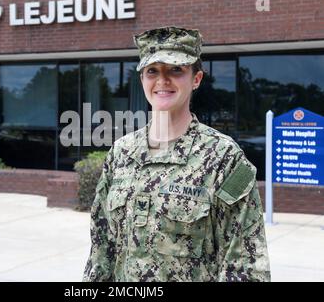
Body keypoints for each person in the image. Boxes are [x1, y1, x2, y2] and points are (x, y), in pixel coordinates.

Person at [83, 26, 271, 282]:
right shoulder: (121, 153)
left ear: (196, 79)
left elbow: (245, 266)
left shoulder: (224, 157)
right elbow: (101, 250)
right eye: (152, 71)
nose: (162, 80)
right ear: (142, 80)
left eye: (176, 69)